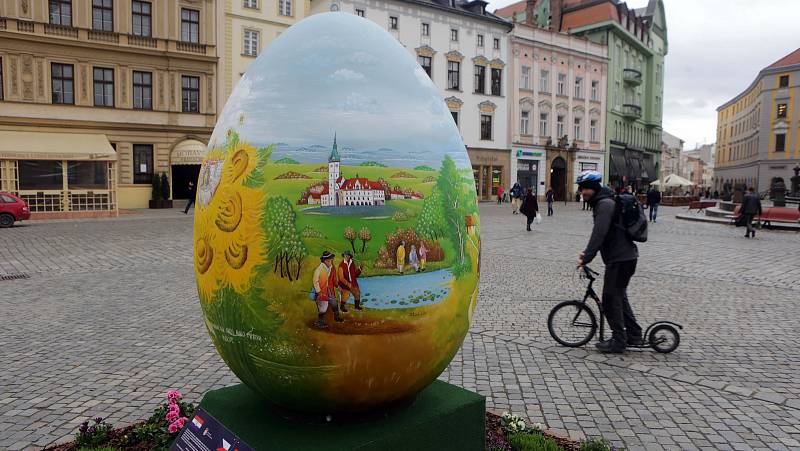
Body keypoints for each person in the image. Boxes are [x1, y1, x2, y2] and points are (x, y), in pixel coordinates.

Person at [576, 170, 642, 353]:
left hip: (620, 259)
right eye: (581, 189)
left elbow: (599, 233)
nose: (582, 192)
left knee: (610, 300)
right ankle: (634, 334)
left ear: (594, 188)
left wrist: (586, 257)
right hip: (624, 258)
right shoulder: (604, 201)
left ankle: (618, 341)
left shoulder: (604, 205)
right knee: (619, 298)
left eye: (585, 188)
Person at [312, 251, 343, 328]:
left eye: (331, 260)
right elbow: (315, 282)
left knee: (334, 302)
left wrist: (337, 286)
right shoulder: (319, 269)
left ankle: (336, 317)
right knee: (323, 307)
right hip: (322, 291)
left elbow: (334, 279)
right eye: (329, 261)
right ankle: (320, 322)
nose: (331, 262)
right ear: (325, 261)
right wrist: (319, 291)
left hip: (329, 289)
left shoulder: (332, 268)